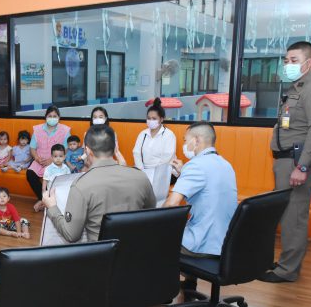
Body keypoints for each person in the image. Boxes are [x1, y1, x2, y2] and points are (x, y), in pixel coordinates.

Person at [261, 41, 311, 283]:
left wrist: (302, 167)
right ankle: (285, 262)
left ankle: (287, 271)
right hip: (286, 162)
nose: (287, 65)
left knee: (294, 219)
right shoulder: (298, 87)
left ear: (309, 63)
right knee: (285, 215)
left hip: (297, 163)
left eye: (293, 60)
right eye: (286, 60)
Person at [42, 125, 156, 242]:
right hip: (137, 247)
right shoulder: (141, 177)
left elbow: (71, 235)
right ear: (115, 148)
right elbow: (150, 214)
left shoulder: (81, 185)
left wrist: (52, 208)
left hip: (102, 251)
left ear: (87, 150)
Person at [163, 122, 237, 292]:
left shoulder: (195, 165)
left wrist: (151, 219)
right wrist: (183, 173)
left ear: (196, 141)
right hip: (226, 242)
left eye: (185, 140)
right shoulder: (226, 164)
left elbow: (172, 203)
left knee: (154, 235)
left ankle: (163, 290)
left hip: (203, 244)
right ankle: (189, 284)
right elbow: (207, 188)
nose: (184, 145)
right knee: (192, 224)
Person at [132, 98, 177, 204]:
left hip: (163, 172)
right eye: (148, 118)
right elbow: (136, 153)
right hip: (143, 171)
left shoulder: (169, 135)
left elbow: (166, 158)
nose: (150, 121)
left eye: (154, 118)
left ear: (161, 119)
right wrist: (141, 171)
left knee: (155, 193)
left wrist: (152, 174)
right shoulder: (143, 134)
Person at [27, 106, 71, 211]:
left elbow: (66, 149)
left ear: (59, 117)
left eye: (55, 116)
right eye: (50, 116)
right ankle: (44, 199)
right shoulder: (37, 129)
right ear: (45, 117)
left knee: (55, 174)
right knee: (30, 173)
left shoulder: (65, 130)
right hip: (40, 160)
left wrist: (52, 160)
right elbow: (32, 148)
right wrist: (37, 158)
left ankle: (45, 201)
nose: (52, 118)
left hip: (56, 160)